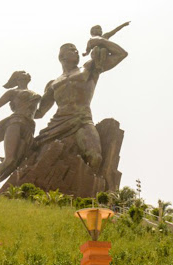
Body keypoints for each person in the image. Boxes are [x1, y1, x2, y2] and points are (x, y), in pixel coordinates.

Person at [34, 38, 128, 172]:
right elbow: (38, 113)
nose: (76, 51)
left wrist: (100, 40)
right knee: (39, 159)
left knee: (95, 158)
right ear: (62, 56)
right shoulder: (53, 84)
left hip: (82, 120)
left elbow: (121, 54)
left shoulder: (89, 68)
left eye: (77, 50)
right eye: (72, 50)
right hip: (56, 124)